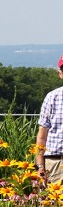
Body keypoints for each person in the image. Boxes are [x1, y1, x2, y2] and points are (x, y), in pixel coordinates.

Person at [35, 54, 63, 183]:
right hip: (54, 162)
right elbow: (42, 135)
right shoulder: (52, 97)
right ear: (60, 74)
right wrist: (40, 165)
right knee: (54, 202)